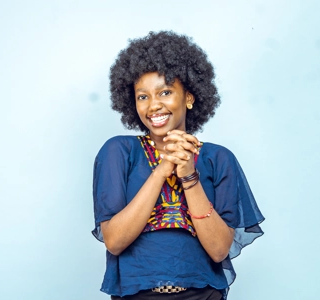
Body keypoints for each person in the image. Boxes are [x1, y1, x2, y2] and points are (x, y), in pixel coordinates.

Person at [92, 31, 265, 300]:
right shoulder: (118, 152)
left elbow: (219, 250)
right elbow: (114, 241)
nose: (153, 106)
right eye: (142, 96)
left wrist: (188, 176)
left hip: (204, 295)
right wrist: (162, 169)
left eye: (165, 92)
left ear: (189, 97)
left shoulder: (219, 159)